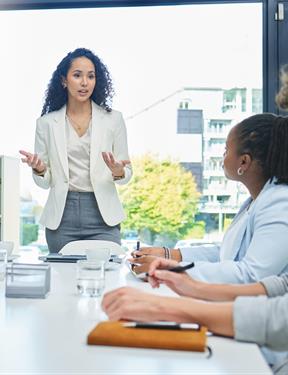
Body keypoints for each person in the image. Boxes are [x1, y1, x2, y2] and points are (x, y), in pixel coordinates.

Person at [130, 112, 288, 283]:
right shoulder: (256, 200)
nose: (223, 156)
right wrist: (171, 255)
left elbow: (251, 275)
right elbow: (229, 255)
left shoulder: (279, 202)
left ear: (244, 162)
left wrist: (171, 270)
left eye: (226, 150)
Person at [20, 48, 132, 253]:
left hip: (103, 218)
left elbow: (126, 173)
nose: (84, 82)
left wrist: (119, 171)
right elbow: (44, 183)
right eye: (77, 75)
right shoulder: (46, 123)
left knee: (107, 279)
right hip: (62, 219)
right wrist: (39, 169)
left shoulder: (113, 120)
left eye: (91, 76)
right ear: (64, 80)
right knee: (63, 280)